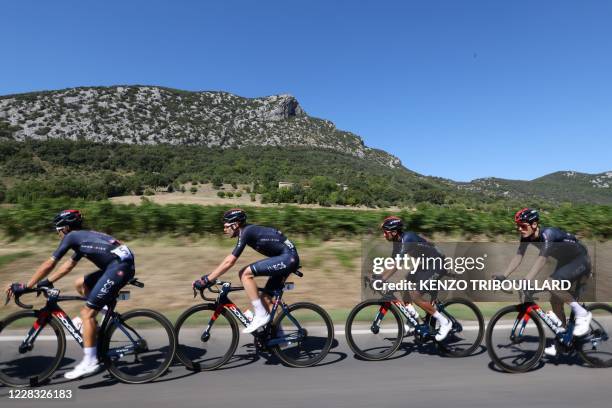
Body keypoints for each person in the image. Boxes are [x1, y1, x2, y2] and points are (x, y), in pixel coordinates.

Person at [4, 209, 136, 379]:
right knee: (80, 283)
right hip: (118, 265)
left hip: (119, 268)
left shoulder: (71, 237)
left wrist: (26, 286)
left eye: (58, 230)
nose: (58, 233)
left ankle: (90, 361)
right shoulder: (83, 237)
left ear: (65, 228)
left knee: (87, 313)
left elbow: (49, 264)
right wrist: (48, 282)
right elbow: (67, 266)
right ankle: (94, 320)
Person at [495, 208, 592, 356]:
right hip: (566, 261)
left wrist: (527, 280)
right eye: (518, 226)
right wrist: (504, 276)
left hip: (580, 260)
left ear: (534, 225)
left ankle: (582, 313)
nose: (519, 229)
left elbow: (542, 259)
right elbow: (519, 256)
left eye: (523, 226)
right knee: (555, 299)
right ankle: (563, 338)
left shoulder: (548, 235)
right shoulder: (526, 237)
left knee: (550, 283)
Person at [193, 209, 299, 334]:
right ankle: (278, 340)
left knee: (244, 274)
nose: (224, 230)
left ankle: (260, 315)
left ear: (236, 224)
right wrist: (210, 276)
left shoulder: (246, 232)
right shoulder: (246, 231)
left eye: (226, 226)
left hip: (288, 258)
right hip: (286, 258)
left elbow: (230, 262)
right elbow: (228, 259)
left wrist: (207, 279)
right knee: (266, 299)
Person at [378, 216, 452, 341]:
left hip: (436, 264)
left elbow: (397, 265)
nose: (384, 235)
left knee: (415, 294)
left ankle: (445, 322)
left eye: (386, 232)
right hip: (426, 264)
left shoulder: (407, 238)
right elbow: (391, 262)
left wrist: (381, 280)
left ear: (394, 232)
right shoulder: (397, 242)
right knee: (403, 284)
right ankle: (412, 317)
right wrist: (378, 277)